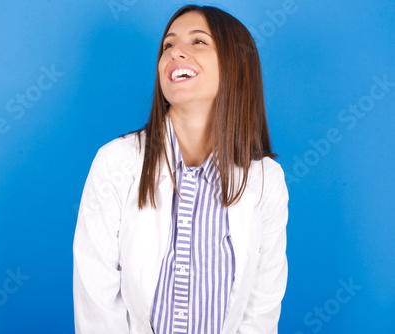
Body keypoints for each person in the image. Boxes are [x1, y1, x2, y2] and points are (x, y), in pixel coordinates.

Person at [73, 4, 289, 334]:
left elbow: (262, 307)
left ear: (236, 64)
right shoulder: (116, 162)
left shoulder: (265, 181)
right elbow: (96, 298)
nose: (176, 53)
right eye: (168, 45)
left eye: (198, 42)